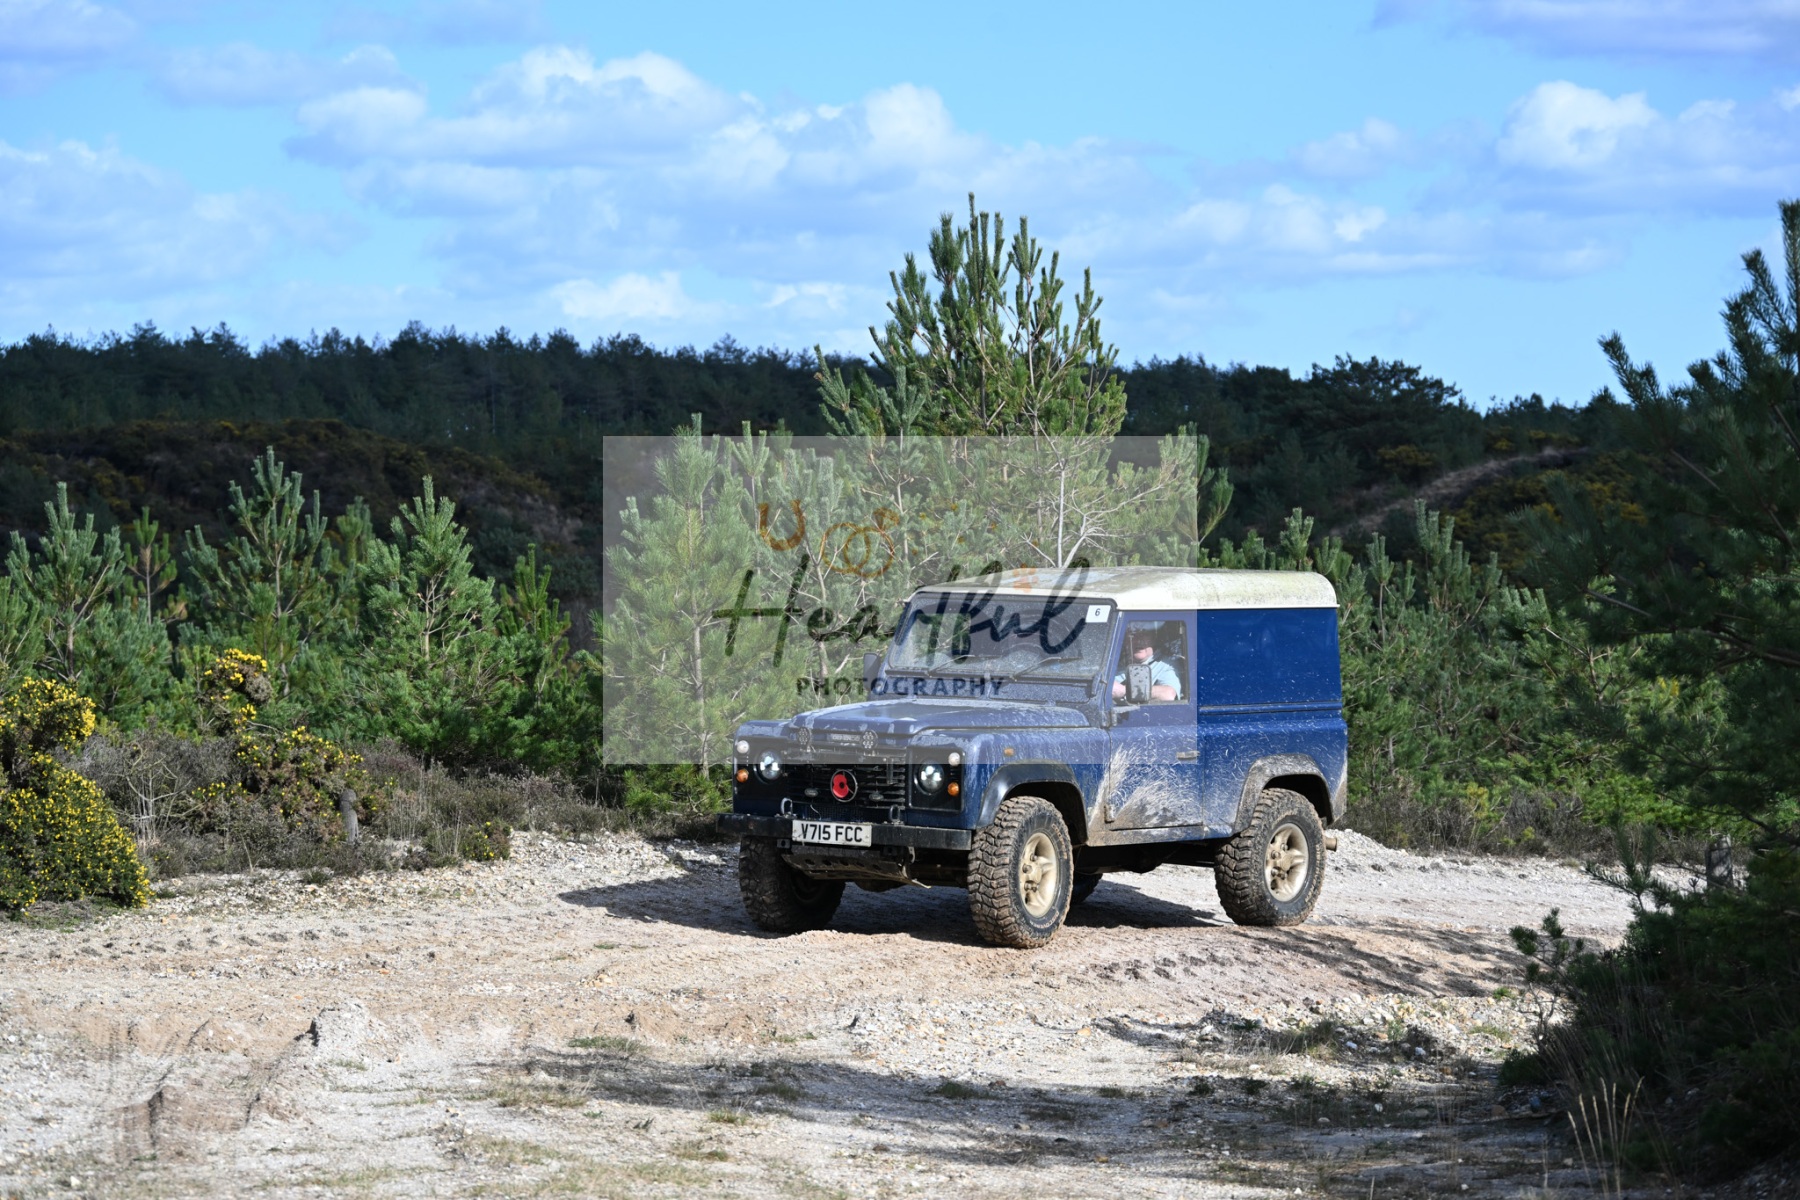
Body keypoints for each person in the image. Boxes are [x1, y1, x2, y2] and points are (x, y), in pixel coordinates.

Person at [1112, 624, 1181, 702]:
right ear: (1125, 641)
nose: (1139, 640)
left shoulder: (1166, 665)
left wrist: (1125, 691)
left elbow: (1168, 694)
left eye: (1144, 635)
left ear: (1153, 640)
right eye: (1133, 635)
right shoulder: (1113, 662)